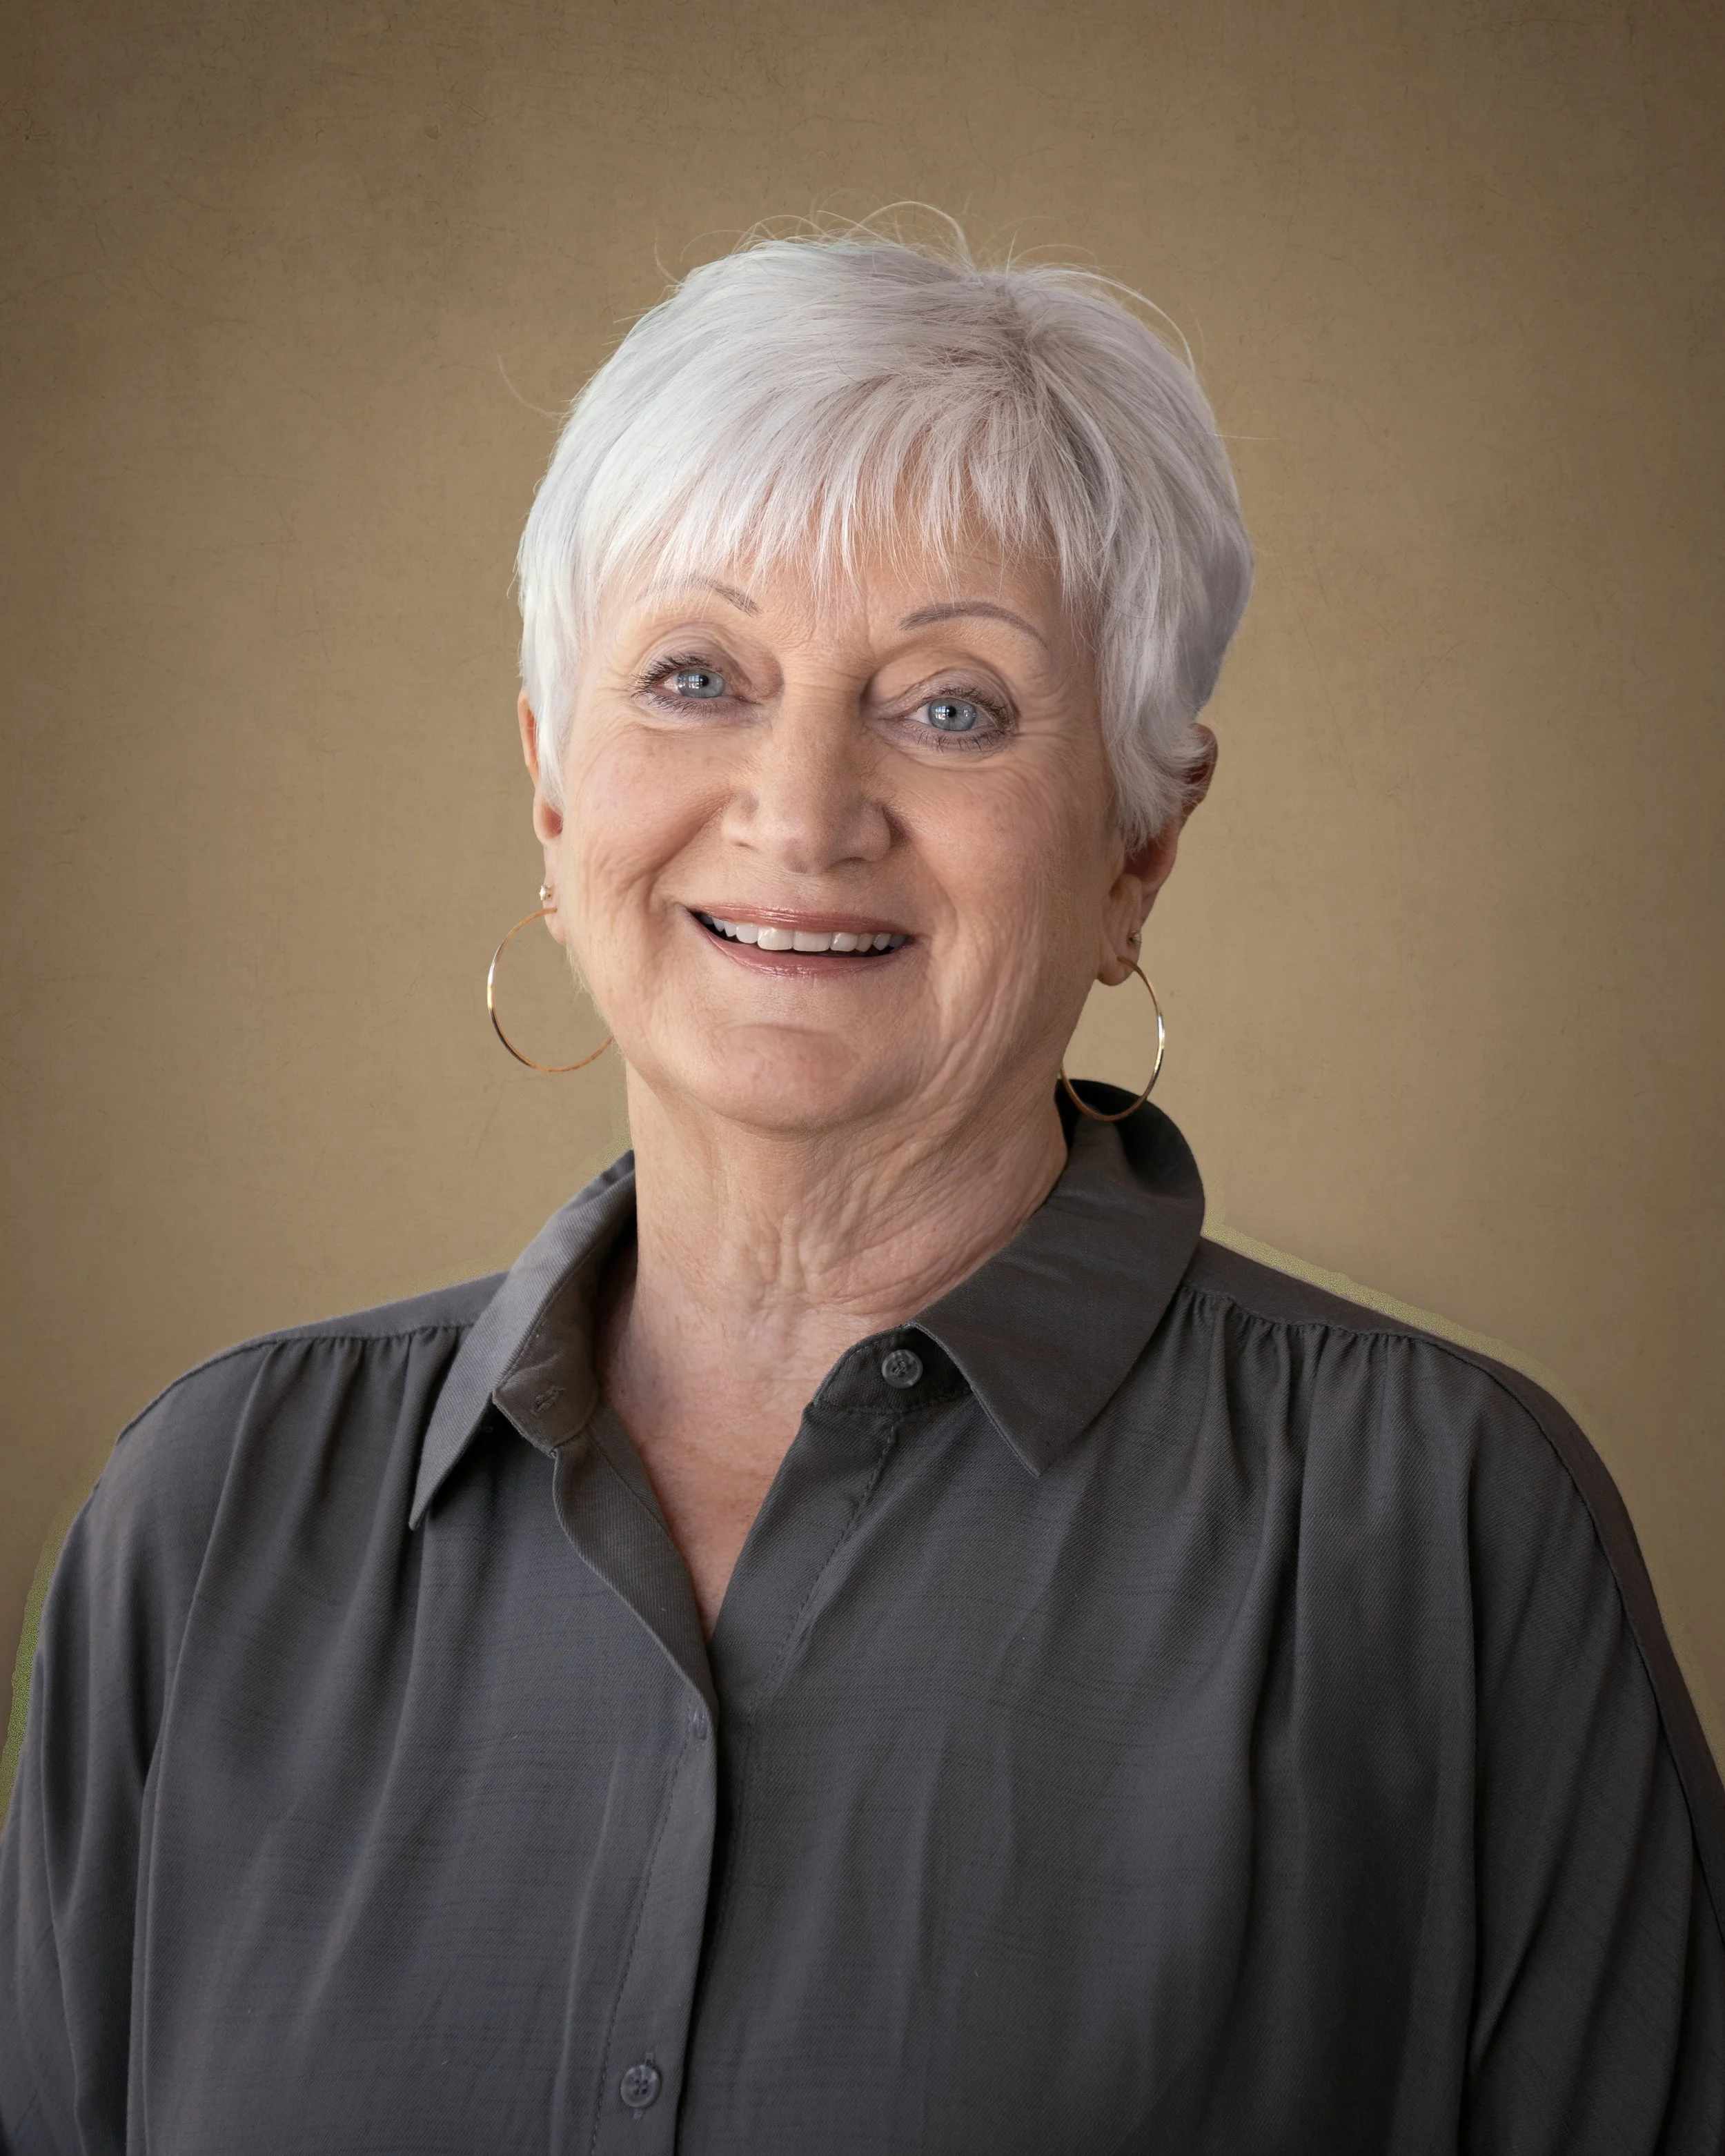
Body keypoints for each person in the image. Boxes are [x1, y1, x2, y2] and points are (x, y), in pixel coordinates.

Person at [2, 216, 1721, 2156]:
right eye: (694, 676)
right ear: (552, 790)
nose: (802, 814)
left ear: (1138, 850)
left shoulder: (1443, 1535)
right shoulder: (209, 1518)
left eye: (951, 704)